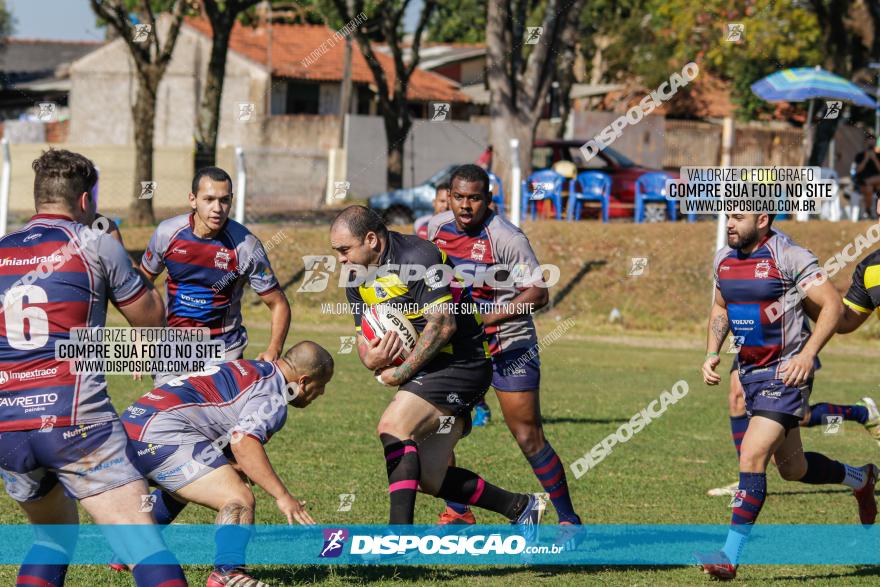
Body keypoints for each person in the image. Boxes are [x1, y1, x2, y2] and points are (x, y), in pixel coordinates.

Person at [0, 148, 187, 586]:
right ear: (85, 201)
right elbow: (150, 316)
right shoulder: (96, 243)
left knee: (53, 539)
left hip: (8, 427)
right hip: (75, 422)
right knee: (142, 546)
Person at [330, 205, 544, 526]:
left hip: (464, 361)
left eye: (344, 250)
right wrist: (370, 358)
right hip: (430, 367)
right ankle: (520, 507)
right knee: (431, 477)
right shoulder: (356, 277)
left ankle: (397, 541)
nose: (341, 259)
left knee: (393, 427)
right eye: (336, 252)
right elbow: (365, 339)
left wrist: (398, 373)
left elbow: (443, 326)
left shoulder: (418, 256)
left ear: (372, 239)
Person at [698, 213, 876, 580]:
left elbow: (832, 307)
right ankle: (862, 479)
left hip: (786, 376)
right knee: (793, 468)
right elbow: (720, 307)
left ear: (762, 219)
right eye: (727, 215)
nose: (729, 223)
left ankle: (729, 556)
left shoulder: (789, 255)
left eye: (737, 217)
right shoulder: (723, 258)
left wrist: (807, 355)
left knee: (752, 453)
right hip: (749, 373)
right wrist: (712, 350)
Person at [426, 165, 581, 527]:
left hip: (509, 348)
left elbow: (538, 292)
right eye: (459, 197)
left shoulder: (507, 237)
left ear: (488, 200)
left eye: (474, 198)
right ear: (448, 197)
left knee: (528, 437)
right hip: (461, 350)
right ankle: (458, 511)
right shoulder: (437, 229)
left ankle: (569, 521)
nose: (466, 205)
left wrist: (487, 318)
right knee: (437, 432)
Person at [119, 341, 332, 587]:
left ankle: (126, 551)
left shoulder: (254, 368)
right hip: (159, 435)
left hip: (131, 428)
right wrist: (282, 496)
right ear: (303, 381)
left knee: (192, 483)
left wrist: (237, 465)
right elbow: (243, 442)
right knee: (238, 497)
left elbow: (222, 425)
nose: (322, 393)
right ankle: (228, 573)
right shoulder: (274, 395)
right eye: (321, 385)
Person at [140, 166, 290, 384]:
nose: (217, 208)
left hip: (223, 348)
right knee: (166, 414)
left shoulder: (246, 246)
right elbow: (142, 286)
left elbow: (278, 303)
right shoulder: (167, 233)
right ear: (193, 200)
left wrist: (273, 349)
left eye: (224, 200)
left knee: (215, 417)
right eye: (209, 199)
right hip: (173, 347)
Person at [853, 135, 880, 216]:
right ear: (865, 142)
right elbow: (857, 171)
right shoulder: (860, 155)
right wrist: (866, 159)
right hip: (862, 182)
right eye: (869, 139)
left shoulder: (878, 155)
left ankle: (869, 211)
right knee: (868, 188)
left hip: (874, 182)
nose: (871, 141)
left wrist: (874, 159)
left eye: (873, 140)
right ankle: (869, 211)